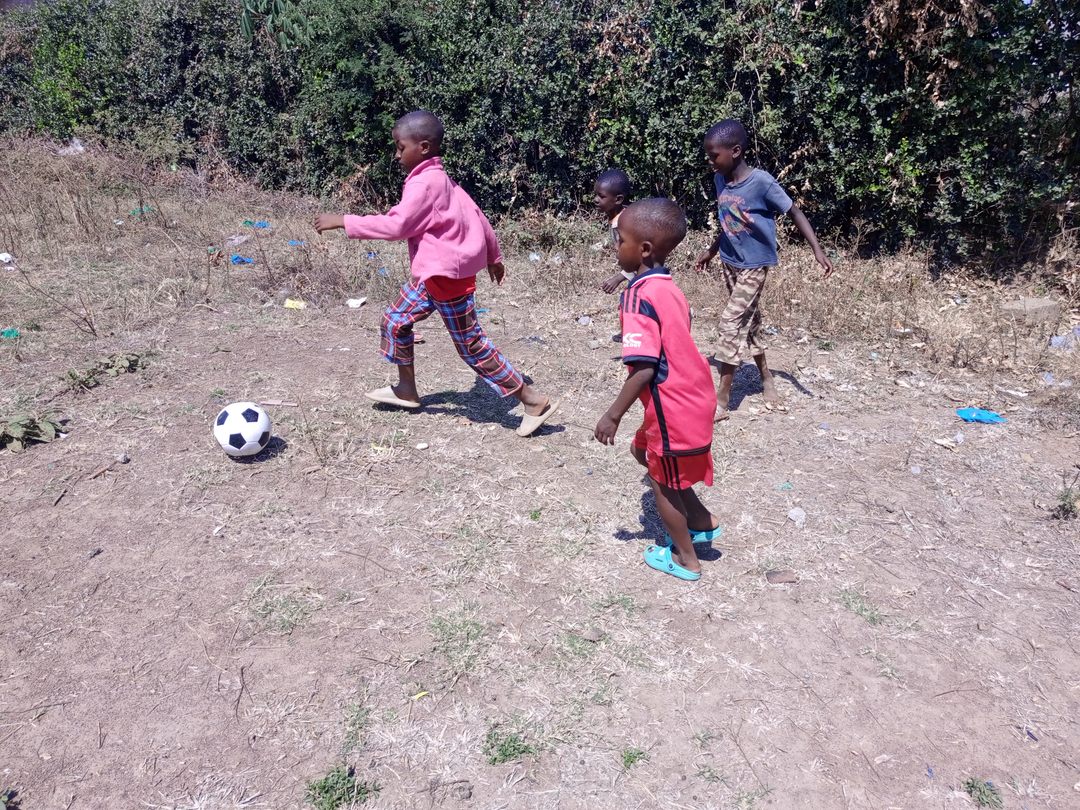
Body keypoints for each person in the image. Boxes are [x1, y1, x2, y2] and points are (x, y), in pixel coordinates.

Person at [315, 110, 559, 437]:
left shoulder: (426, 183)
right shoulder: (438, 177)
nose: (397, 155)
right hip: (431, 277)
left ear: (424, 147)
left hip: (447, 280)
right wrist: (494, 256)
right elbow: (476, 213)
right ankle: (406, 390)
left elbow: (398, 225)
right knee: (394, 320)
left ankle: (532, 401)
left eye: (401, 147)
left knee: (471, 346)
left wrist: (345, 221)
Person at [594, 198, 720, 582]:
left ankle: (686, 559)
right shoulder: (670, 288)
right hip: (694, 396)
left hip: (672, 406)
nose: (616, 247)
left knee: (662, 483)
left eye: (620, 240)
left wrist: (612, 415)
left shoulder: (636, 296)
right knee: (642, 451)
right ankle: (702, 521)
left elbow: (645, 368)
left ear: (644, 249)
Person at [693, 119, 834, 419]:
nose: (709, 161)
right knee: (750, 320)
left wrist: (817, 249)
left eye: (714, 155)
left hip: (755, 265)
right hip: (729, 261)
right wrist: (711, 251)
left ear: (735, 151)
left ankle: (722, 401)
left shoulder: (762, 182)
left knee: (731, 322)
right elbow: (727, 221)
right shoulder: (720, 179)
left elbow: (794, 211)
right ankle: (766, 377)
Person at [593, 169, 633, 294]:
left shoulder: (626, 225)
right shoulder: (618, 218)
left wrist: (618, 278)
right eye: (596, 195)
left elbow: (640, 258)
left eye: (601, 196)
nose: (595, 199)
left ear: (618, 199)